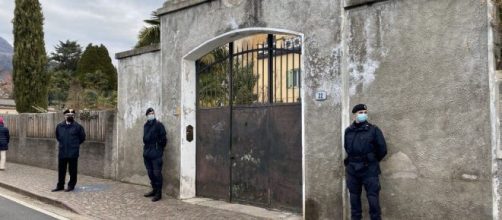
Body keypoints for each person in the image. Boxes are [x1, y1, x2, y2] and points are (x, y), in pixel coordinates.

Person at [344, 104, 387, 220]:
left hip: (369, 170)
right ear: (355, 115)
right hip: (353, 170)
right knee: (354, 201)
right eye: (360, 112)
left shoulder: (374, 130)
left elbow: (382, 149)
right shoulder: (348, 131)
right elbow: (347, 148)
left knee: (373, 202)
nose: (363, 114)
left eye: (365, 112)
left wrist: (371, 160)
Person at [52, 109, 86, 192]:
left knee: (72, 171)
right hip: (62, 152)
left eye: (72, 115)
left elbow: (82, 138)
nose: (70, 116)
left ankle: (71, 185)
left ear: (74, 116)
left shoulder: (78, 127)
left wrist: (75, 145)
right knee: (61, 170)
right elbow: (58, 136)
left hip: (73, 153)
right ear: (64, 116)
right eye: (68, 115)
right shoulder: (59, 126)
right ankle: (60, 186)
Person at [142, 107, 167, 202]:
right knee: (150, 173)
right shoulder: (146, 125)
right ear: (147, 115)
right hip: (147, 152)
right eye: (149, 113)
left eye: (152, 113)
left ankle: (158, 193)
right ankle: (154, 190)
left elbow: (164, 139)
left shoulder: (159, 125)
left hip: (156, 153)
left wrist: (159, 149)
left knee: (157, 173)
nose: (151, 115)